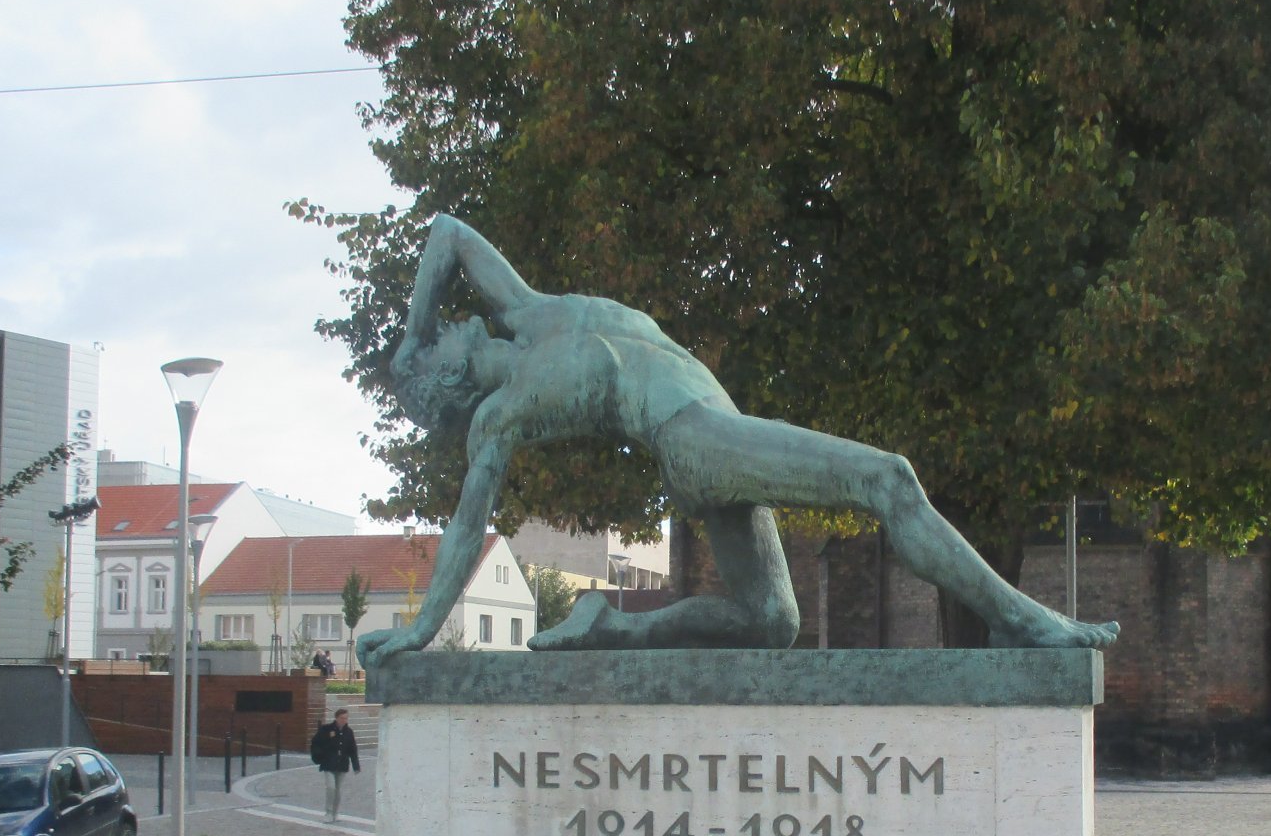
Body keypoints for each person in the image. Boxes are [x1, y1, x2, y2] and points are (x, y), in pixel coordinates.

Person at [355, 215, 1123, 663]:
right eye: (429, 360)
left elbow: (447, 233)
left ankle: (613, 627)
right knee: (886, 477)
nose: (440, 336)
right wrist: (423, 628)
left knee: (772, 624)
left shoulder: (526, 309)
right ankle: (1022, 619)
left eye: (429, 345)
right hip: (693, 437)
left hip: (711, 421)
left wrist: (408, 339)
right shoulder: (499, 413)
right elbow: (465, 523)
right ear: (448, 387)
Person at [309, 708, 360, 822]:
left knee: (337, 790)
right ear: (336, 718)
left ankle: (335, 813)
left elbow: (353, 749)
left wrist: (356, 765)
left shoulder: (349, 731)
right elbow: (316, 743)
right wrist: (318, 757)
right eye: (342, 718)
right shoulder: (326, 729)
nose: (344, 720)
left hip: (342, 764)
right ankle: (328, 812)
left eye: (346, 718)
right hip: (328, 763)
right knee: (331, 787)